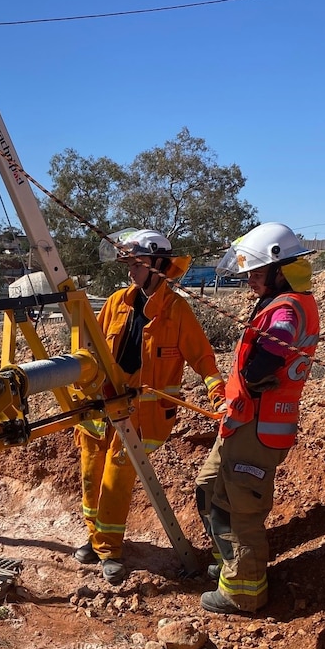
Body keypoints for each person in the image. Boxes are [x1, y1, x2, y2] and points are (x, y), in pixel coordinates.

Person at [73, 228, 226, 584]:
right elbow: (93, 350)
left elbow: (203, 359)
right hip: (102, 406)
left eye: (136, 262)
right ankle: (94, 538)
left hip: (143, 414)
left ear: (158, 264)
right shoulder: (116, 302)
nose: (130, 270)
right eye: (128, 262)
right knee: (92, 473)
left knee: (116, 473)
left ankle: (109, 549)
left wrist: (218, 395)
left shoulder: (176, 310)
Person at [196, 223, 319, 614]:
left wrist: (253, 375)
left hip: (259, 427)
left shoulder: (287, 308)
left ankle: (245, 592)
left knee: (240, 507)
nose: (249, 280)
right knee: (209, 487)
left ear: (280, 270)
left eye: (256, 272)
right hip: (242, 420)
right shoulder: (281, 300)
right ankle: (232, 566)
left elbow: (266, 360)